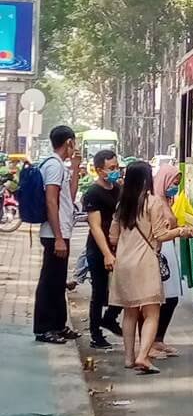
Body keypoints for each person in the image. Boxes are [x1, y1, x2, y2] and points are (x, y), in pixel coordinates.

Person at [109, 161, 193, 374]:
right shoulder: (153, 203)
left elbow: (113, 237)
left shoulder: (122, 204)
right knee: (152, 313)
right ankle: (143, 356)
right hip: (145, 264)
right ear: (147, 179)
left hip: (123, 264)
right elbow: (161, 235)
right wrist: (182, 232)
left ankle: (128, 358)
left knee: (130, 313)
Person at [33, 125, 81, 344]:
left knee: (58, 280)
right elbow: (51, 201)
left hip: (61, 231)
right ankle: (44, 328)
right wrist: (59, 237)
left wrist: (76, 168)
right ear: (69, 142)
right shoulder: (53, 166)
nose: (75, 147)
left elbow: (68, 197)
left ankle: (59, 325)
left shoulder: (60, 166)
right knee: (50, 282)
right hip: (54, 233)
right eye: (74, 142)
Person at [83, 149, 124, 349]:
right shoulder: (92, 193)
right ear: (100, 170)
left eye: (117, 167)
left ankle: (109, 318)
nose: (116, 171)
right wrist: (107, 253)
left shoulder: (117, 189)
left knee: (124, 287)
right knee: (99, 292)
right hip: (98, 249)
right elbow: (95, 226)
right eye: (112, 168)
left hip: (119, 247)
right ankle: (95, 334)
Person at [151, 163, 183, 357]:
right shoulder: (155, 201)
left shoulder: (167, 200)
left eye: (177, 183)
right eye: (173, 182)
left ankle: (158, 340)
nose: (175, 186)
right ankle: (151, 343)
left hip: (169, 250)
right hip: (160, 251)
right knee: (160, 299)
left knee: (171, 298)